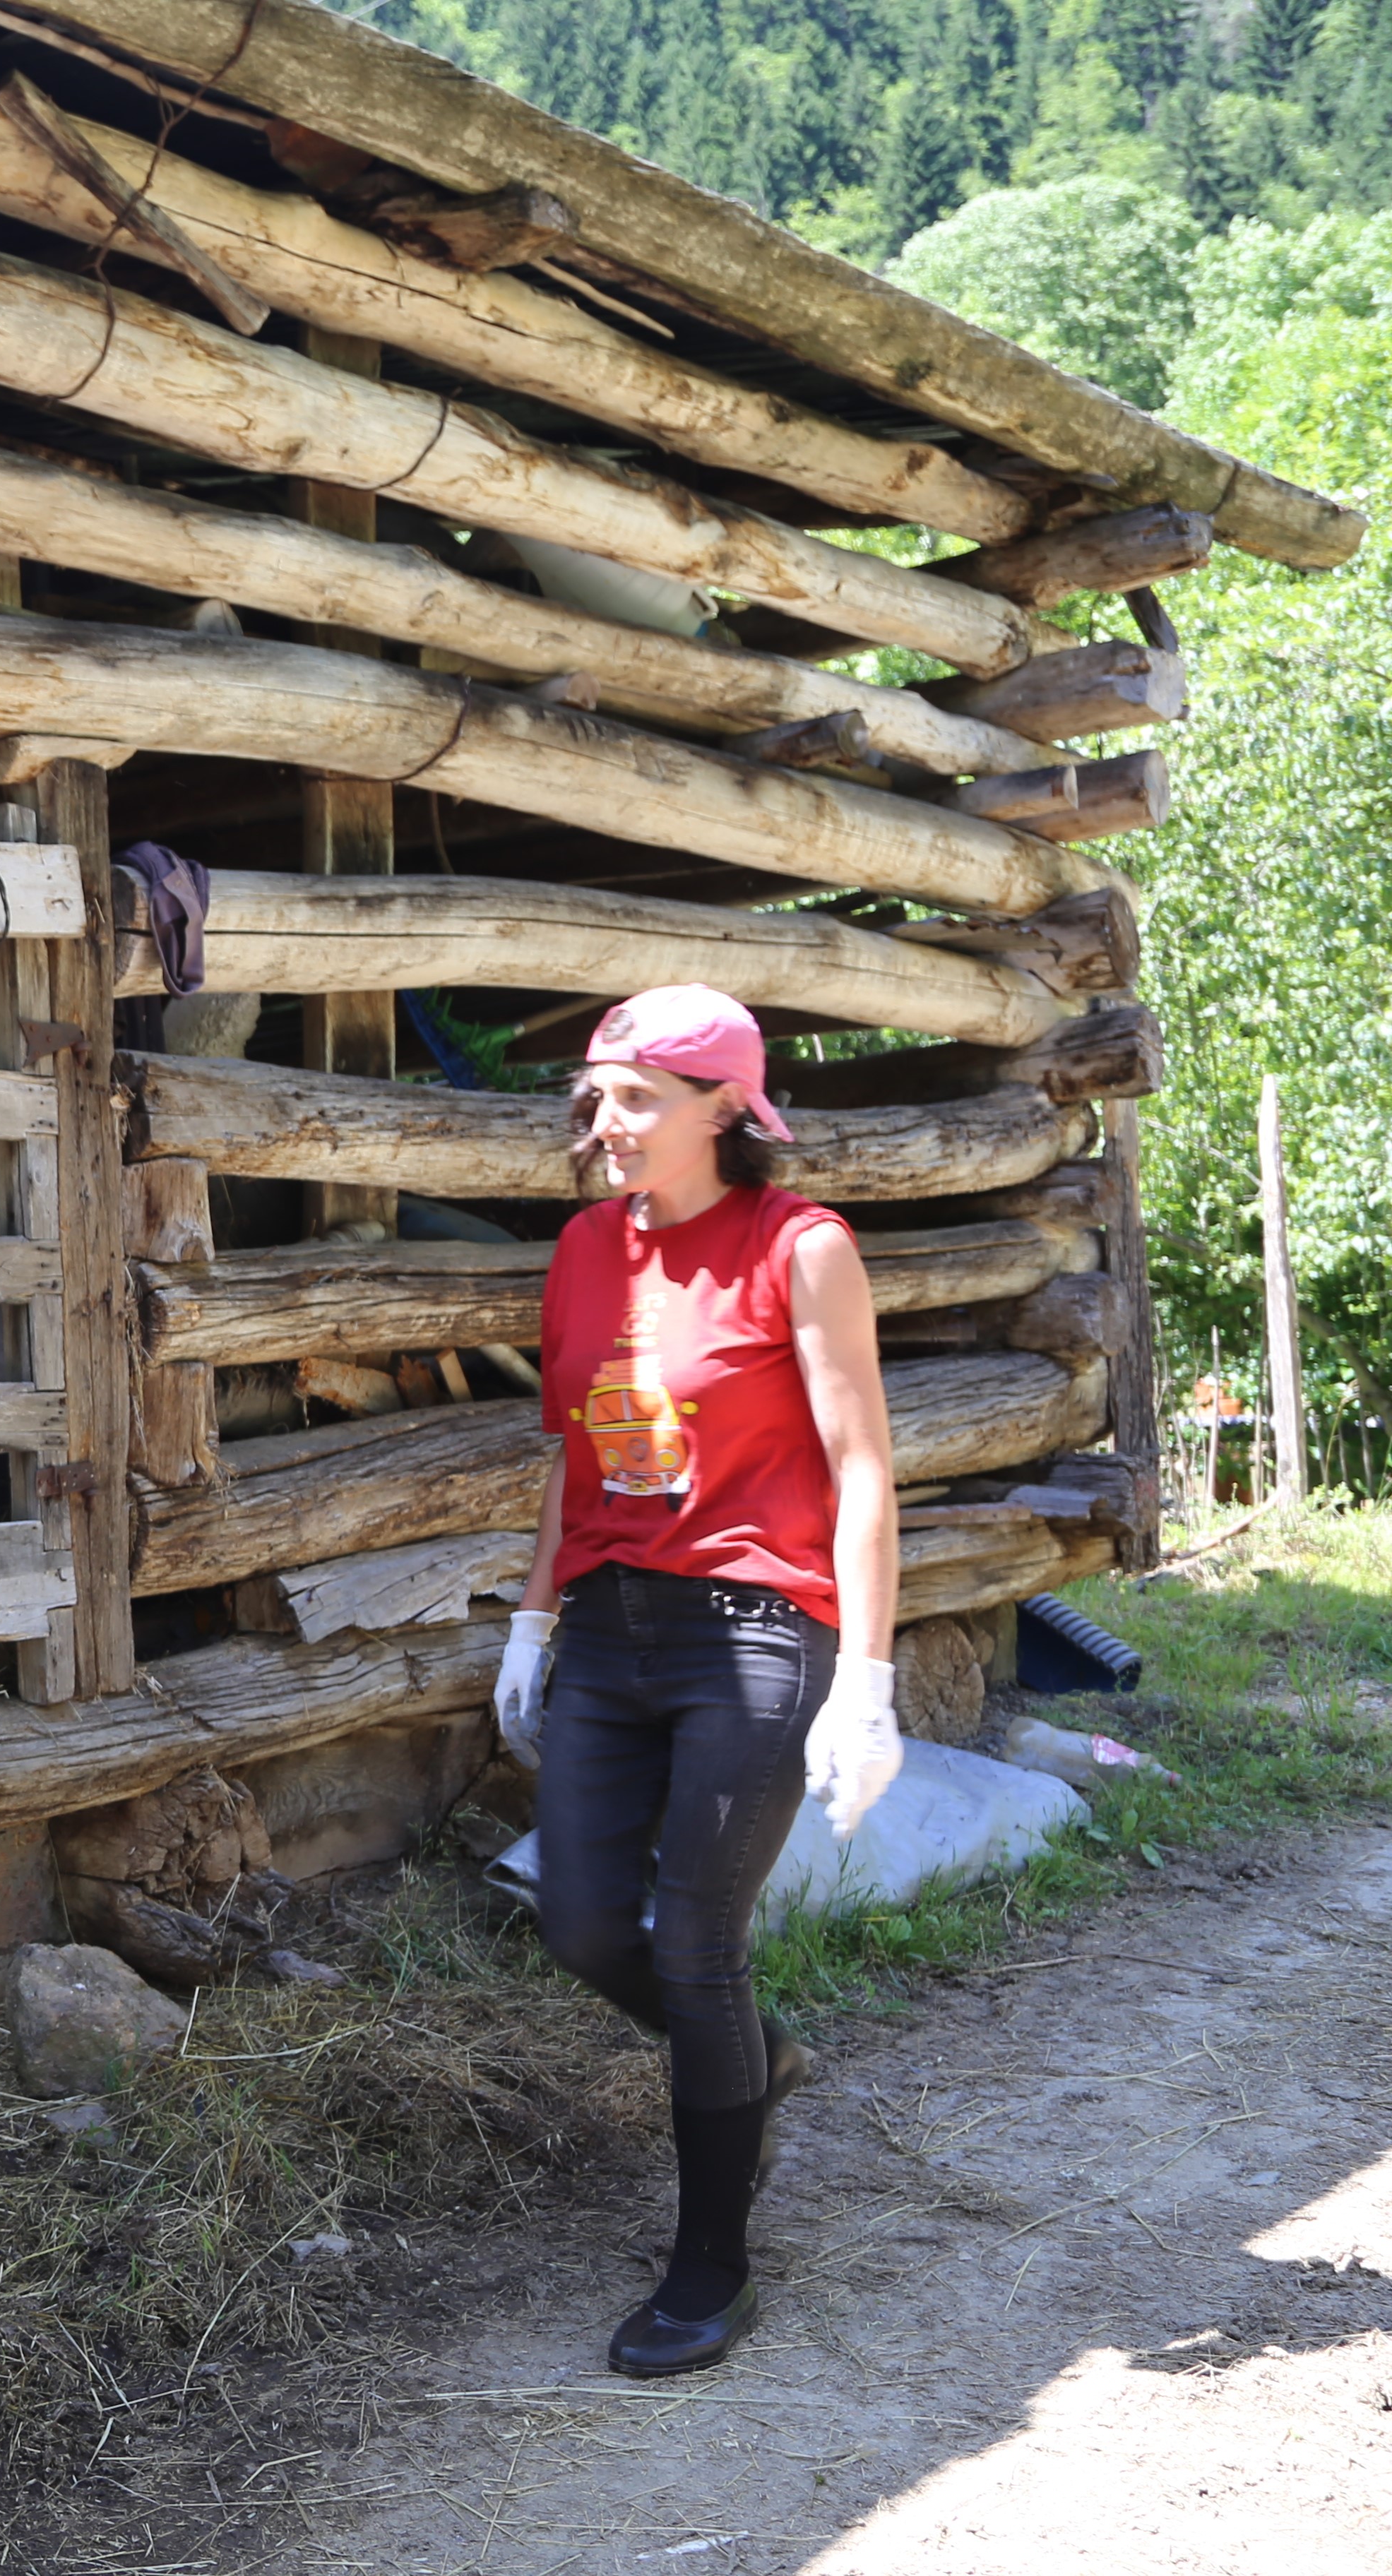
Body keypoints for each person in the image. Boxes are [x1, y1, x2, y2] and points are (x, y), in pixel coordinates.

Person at [491, 985, 902, 2378]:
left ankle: (710, 2264)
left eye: (635, 1098)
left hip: (759, 1632)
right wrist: (534, 1620)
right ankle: (753, 2060)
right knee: (582, 1925)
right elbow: (576, 1454)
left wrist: (872, 1676)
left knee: (693, 1943)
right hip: (611, 1628)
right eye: (593, 1098)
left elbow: (860, 1470)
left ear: (727, 1108)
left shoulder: (802, 1247)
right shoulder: (581, 1251)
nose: (601, 1123)